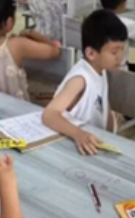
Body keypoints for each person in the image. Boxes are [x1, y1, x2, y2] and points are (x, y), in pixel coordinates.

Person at [42, 9, 126, 155]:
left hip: (91, 145)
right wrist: (78, 134)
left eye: (122, 50)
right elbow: (49, 114)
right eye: (114, 52)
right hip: (71, 148)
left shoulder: (101, 70)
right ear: (91, 53)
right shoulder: (80, 79)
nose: (120, 57)